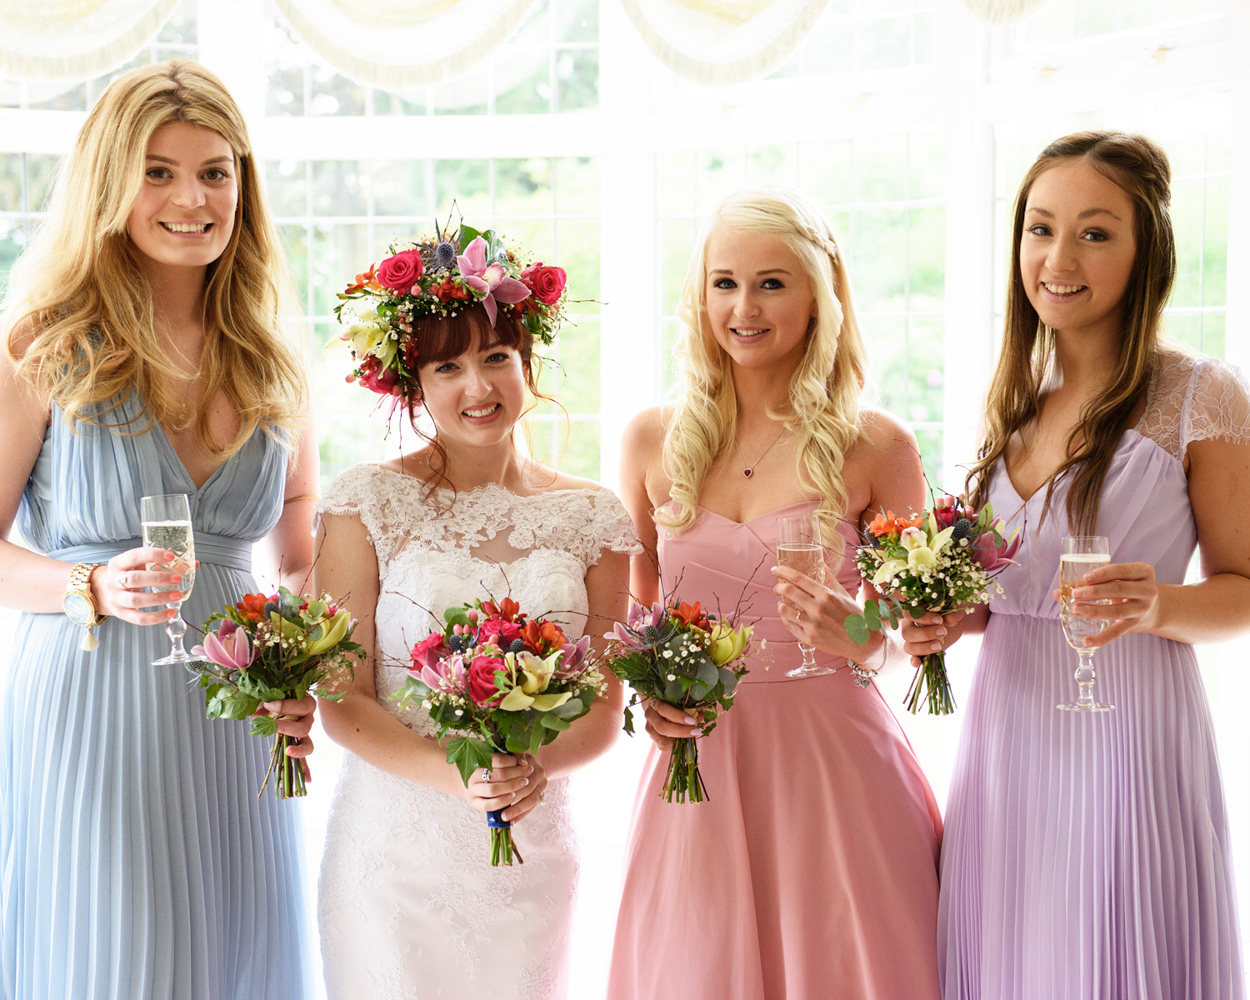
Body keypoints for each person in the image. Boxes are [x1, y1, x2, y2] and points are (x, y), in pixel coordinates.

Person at [901, 130, 1250, 999]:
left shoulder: (1201, 395)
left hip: (1126, 742)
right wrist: (950, 619)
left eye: (1095, 232)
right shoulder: (1012, 403)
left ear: (1146, 255)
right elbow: (1007, 596)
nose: (1057, 257)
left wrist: (1159, 606)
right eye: (1039, 228)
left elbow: (1246, 590)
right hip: (1005, 748)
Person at [0, 60, 319, 1000]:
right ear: (110, 183)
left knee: (234, 957)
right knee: (122, 961)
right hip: (96, 706)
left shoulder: (271, 352)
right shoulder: (43, 345)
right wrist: (87, 587)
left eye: (216, 172)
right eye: (159, 171)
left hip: (241, 716)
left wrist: (302, 664)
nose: (193, 198)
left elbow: (298, 533)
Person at [607, 186, 943, 1000]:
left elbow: (913, 628)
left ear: (820, 296)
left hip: (836, 764)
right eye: (724, 282)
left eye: (772, 282)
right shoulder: (654, 438)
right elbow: (633, 611)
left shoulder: (876, 444)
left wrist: (863, 633)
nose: (744, 307)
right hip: (701, 760)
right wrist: (649, 696)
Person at [312, 224, 637, 999]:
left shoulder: (594, 517)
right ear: (411, 382)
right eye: (446, 365)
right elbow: (341, 699)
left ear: (529, 363)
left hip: (532, 849)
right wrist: (458, 778)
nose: (477, 386)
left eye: (496, 357)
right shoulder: (365, 502)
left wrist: (527, 773)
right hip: (392, 854)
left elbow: (600, 707)